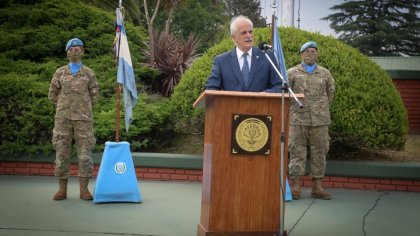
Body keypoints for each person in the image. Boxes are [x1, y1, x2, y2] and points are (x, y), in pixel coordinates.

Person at [48, 38, 100, 201]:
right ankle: (61, 190)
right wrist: (65, 106)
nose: (75, 51)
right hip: (62, 120)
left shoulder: (89, 73)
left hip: (83, 120)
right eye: (71, 49)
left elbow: (95, 96)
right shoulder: (60, 72)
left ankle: (84, 190)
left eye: (78, 49)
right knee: (61, 154)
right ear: (67, 52)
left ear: (83, 52)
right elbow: (52, 94)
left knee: (85, 155)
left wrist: (82, 108)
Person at [287, 41, 335, 200]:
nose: (310, 54)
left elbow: (330, 94)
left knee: (319, 153)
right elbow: (286, 95)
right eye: (307, 51)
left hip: (320, 121)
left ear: (317, 54)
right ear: (301, 54)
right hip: (298, 120)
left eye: (313, 51)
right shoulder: (292, 73)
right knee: (297, 152)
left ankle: (317, 187)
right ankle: (296, 186)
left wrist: (319, 109)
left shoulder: (325, 74)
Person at [205, 15, 281, 92]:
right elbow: (211, 89)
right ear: (233, 37)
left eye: (250, 32)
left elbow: (279, 85)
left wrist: (264, 95)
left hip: (263, 103)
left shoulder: (267, 56)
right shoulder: (221, 61)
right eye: (244, 33)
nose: (249, 36)